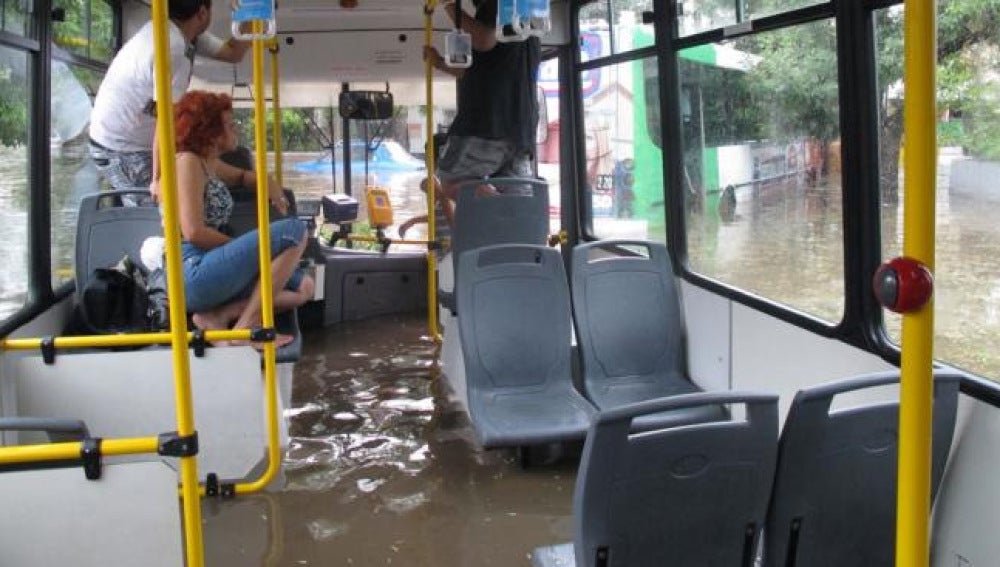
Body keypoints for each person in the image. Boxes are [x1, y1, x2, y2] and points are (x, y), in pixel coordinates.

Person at [171, 90, 314, 347]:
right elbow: (193, 232)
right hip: (192, 270)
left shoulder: (209, 163)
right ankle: (247, 328)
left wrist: (269, 184)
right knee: (294, 231)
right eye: (228, 124)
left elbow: (242, 177)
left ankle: (218, 316)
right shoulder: (187, 162)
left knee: (303, 286)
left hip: (209, 266)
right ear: (211, 131)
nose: (235, 128)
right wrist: (244, 252)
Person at [89, 0, 251, 193]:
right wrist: (158, 179)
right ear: (202, 13)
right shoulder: (172, 47)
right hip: (122, 149)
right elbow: (166, 122)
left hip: (122, 141)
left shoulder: (182, 34)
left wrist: (249, 16)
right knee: (186, 203)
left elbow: (232, 53)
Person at [424, 0, 541, 200]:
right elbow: (474, 70)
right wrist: (440, 63)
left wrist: (449, 5)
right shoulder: (527, 23)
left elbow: (484, 40)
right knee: (515, 195)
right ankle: (516, 225)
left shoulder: (499, 4)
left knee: (453, 180)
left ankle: (496, 207)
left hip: (487, 122)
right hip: (521, 130)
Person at [398, 176, 454, 257]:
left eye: (427, 191)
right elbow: (433, 217)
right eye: (426, 192)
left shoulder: (444, 199)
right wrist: (411, 222)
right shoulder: (437, 201)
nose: (428, 194)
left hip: (445, 244)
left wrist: (451, 243)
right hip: (439, 243)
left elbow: (452, 221)